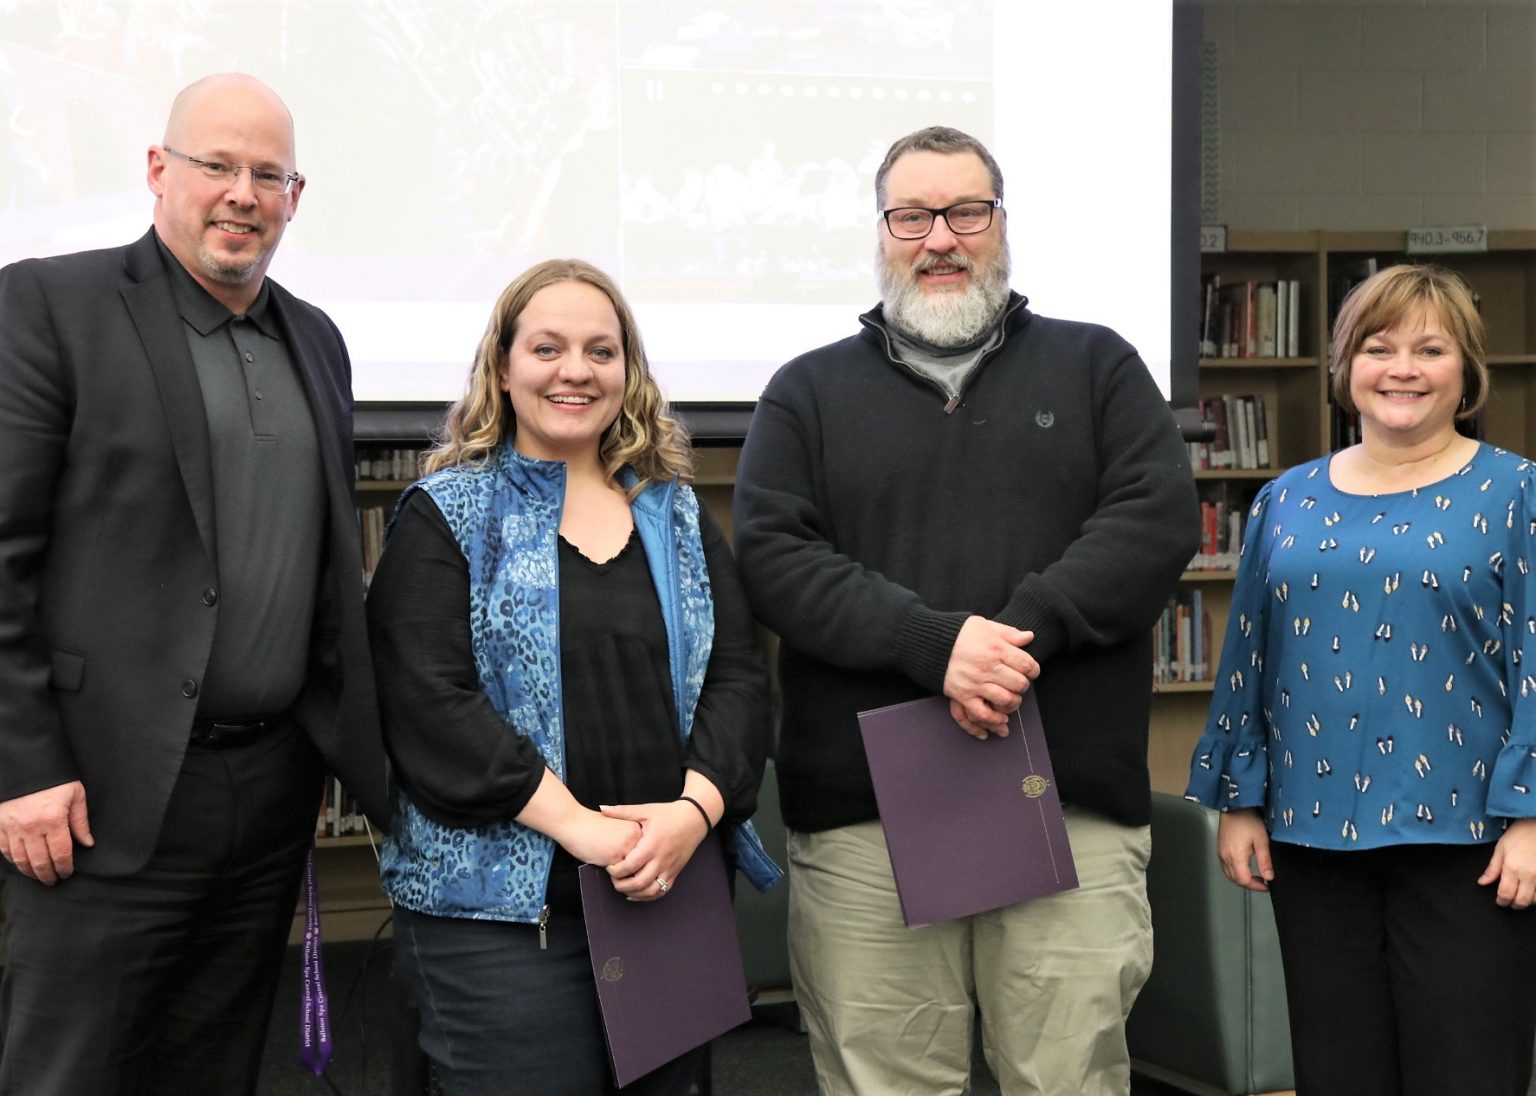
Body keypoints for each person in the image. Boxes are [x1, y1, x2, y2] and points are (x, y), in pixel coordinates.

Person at [732, 125, 1200, 1095]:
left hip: (1063, 808)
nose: (940, 238)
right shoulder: (804, 393)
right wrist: (933, 645)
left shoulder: (1099, 366)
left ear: (1002, 223)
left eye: (965, 212)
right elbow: (775, 559)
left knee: (1068, 1079)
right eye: (912, 216)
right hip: (867, 826)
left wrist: (1017, 637)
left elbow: (1154, 522)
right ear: (882, 230)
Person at [0, 74, 388, 1095]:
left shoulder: (318, 340)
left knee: (216, 1071)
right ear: (157, 170)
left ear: (295, 197)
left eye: (269, 174)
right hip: (91, 799)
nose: (242, 194)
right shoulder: (50, 304)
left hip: (265, 796)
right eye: (217, 164)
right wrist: (21, 767)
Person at [368, 258, 780, 1096]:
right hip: (500, 920)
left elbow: (739, 677)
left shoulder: (675, 513)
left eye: (601, 351)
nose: (575, 371)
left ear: (627, 372)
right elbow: (430, 704)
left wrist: (694, 813)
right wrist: (582, 830)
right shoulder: (447, 515)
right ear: (503, 368)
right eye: (547, 348)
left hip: (667, 887)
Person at [1186, 264, 1536, 1095]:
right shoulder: (1286, 500)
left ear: (1467, 371)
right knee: (1338, 1070)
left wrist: (1534, 817)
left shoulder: (1517, 493)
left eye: (1430, 350)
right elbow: (1250, 655)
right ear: (1346, 367)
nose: (1402, 369)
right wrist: (1240, 799)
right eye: (1378, 349)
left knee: (1466, 1073)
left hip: (1474, 843)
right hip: (1311, 838)